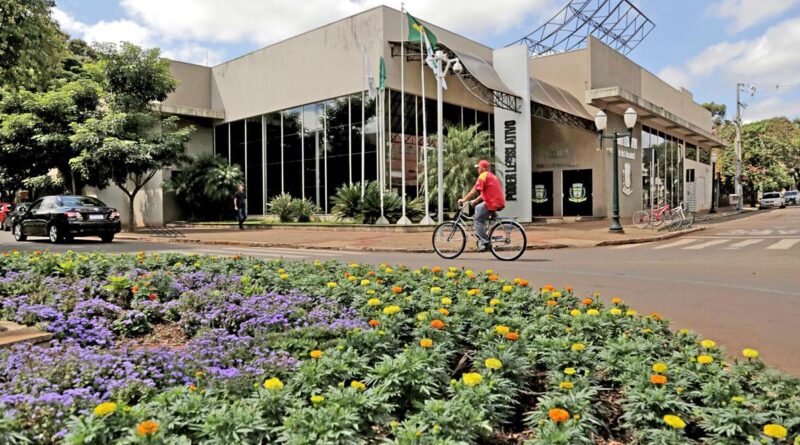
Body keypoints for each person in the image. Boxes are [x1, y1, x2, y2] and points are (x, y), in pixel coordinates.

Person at [458, 160, 505, 252]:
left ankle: (485, 242)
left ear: (483, 168)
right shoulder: (491, 176)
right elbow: (485, 193)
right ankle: (481, 230)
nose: (478, 170)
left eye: (478, 168)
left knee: (477, 220)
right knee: (477, 207)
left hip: (492, 203)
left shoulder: (483, 176)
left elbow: (474, 190)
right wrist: (475, 201)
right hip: (497, 201)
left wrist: (463, 200)